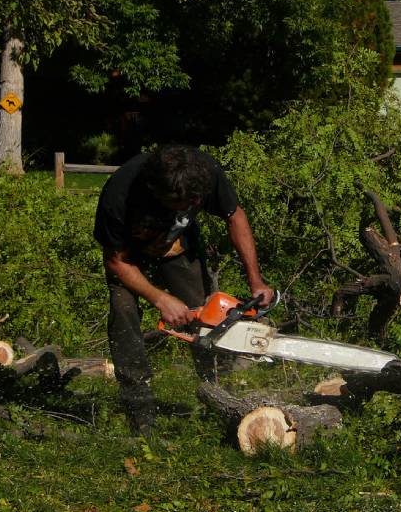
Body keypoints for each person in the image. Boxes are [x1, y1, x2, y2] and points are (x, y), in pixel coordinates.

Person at [93, 144, 274, 435]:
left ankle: (219, 396)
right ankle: (140, 411)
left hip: (177, 247)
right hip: (129, 260)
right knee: (124, 314)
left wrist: (256, 280)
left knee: (207, 315)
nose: (194, 204)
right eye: (185, 201)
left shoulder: (204, 171)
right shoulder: (121, 193)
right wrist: (159, 297)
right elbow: (116, 262)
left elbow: (235, 217)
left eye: (196, 199)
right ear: (159, 192)